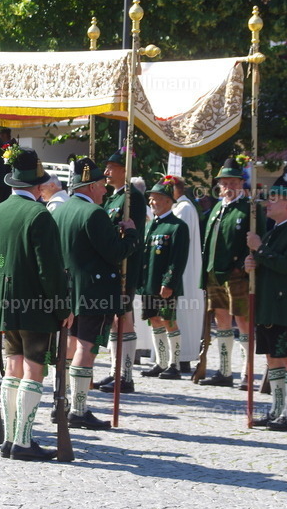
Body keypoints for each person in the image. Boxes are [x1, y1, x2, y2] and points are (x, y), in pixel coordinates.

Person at [0, 145, 71, 461]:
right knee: (34, 370)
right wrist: (63, 308)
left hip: (7, 301)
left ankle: (11, 438)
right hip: (36, 305)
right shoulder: (39, 215)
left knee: (13, 368)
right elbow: (49, 270)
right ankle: (22, 440)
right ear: (37, 186)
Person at [52, 156, 137, 429]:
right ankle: (77, 409)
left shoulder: (62, 210)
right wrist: (132, 235)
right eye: (101, 184)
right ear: (89, 186)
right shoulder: (94, 213)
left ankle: (60, 402)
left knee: (70, 346)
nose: (104, 189)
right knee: (86, 349)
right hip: (94, 291)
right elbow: (114, 252)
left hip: (69, 290)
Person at [244, 178, 287, 432]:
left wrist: (259, 249)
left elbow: (286, 265)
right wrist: (252, 263)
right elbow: (267, 264)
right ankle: (276, 409)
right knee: (272, 358)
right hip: (267, 305)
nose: (267, 205)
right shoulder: (274, 231)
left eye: (273, 199)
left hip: (285, 306)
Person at [199, 157, 265, 387]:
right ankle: (224, 371)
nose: (227, 186)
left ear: (240, 183)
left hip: (238, 274)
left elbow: (261, 240)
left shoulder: (250, 208)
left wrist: (250, 262)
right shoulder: (218, 207)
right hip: (215, 272)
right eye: (223, 182)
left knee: (243, 321)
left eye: (231, 182)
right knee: (221, 321)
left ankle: (248, 372)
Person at [95, 150, 147, 394]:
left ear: (125, 170)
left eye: (111, 168)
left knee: (124, 319)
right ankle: (116, 371)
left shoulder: (132, 198)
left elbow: (133, 233)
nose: (106, 173)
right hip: (112, 265)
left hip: (125, 264)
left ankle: (126, 375)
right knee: (116, 321)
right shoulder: (112, 198)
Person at [138, 175, 190, 380]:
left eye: (156, 198)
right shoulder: (152, 225)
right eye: (150, 198)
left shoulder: (177, 226)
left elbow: (178, 259)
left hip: (165, 285)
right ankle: (160, 362)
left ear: (168, 201)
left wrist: (169, 283)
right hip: (149, 283)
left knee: (168, 321)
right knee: (154, 319)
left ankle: (174, 365)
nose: (152, 202)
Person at [170, 176, 204, 374]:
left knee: (182, 312)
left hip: (184, 269)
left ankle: (182, 357)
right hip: (182, 267)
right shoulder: (182, 207)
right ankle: (175, 356)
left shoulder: (183, 208)